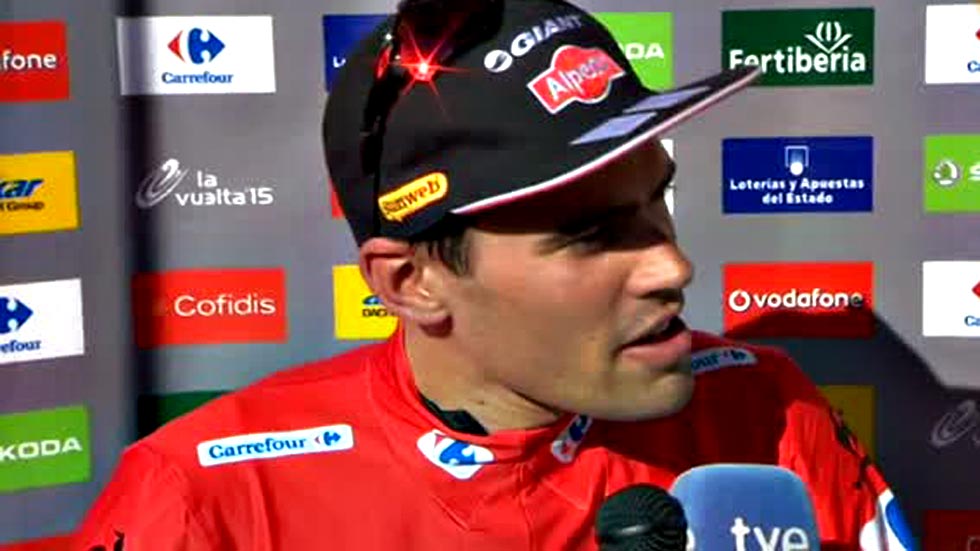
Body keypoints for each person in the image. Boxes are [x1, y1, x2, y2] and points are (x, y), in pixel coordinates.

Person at [75, 0, 914, 549]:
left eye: (657, 201)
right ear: (410, 282)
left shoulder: (767, 410)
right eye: (591, 235)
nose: (672, 264)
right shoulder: (205, 498)